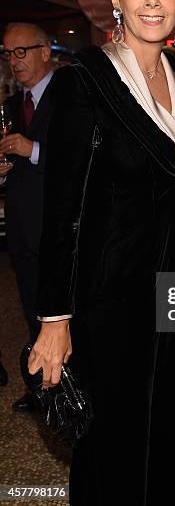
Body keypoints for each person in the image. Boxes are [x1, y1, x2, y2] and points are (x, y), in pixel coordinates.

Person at [27, 0, 175, 505]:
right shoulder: (86, 82)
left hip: (173, 300)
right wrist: (55, 319)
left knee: (170, 437)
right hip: (110, 304)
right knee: (114, 450)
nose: (152, 0)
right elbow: (62, 209)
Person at [0, 23, 53, 412]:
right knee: (32, 308)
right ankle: (41, 386)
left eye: (22, 52)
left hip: (57, 228)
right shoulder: (13, 105)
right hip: (22, 228)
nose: (14, 61)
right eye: (8, 54)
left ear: (45, 52)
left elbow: (84, 160)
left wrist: (32, 148)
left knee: (64, 312)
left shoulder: (71, 98)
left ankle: (72, 384)